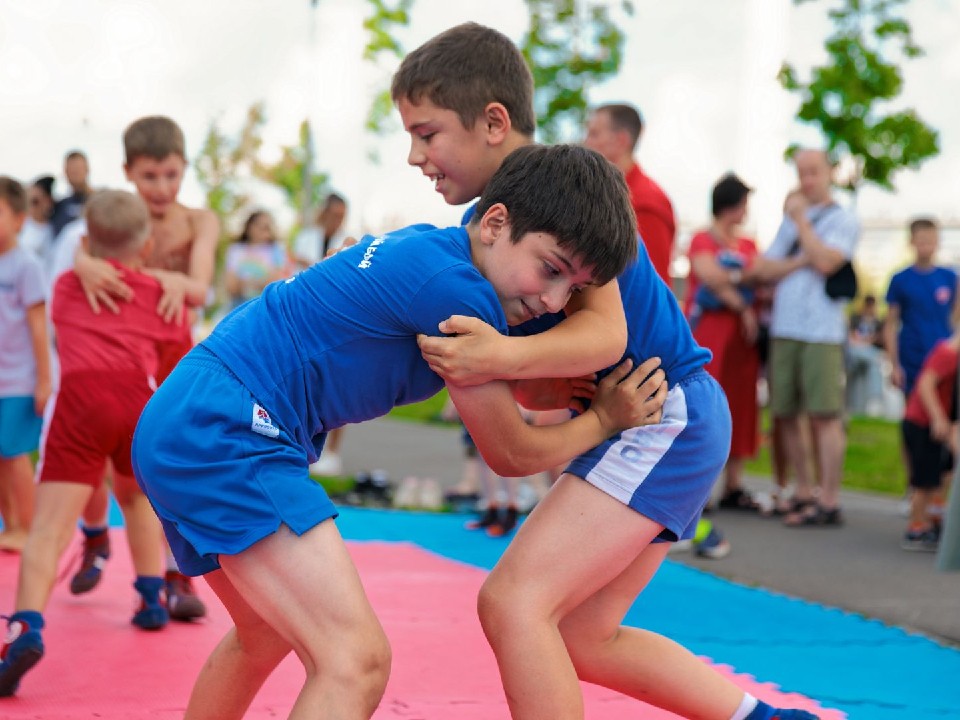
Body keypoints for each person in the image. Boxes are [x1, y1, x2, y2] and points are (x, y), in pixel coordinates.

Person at [131, 144, 660, 720]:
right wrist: (605, 419)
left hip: (185, 413)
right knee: (354, 660)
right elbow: (510, 452)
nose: (553, 301)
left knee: (264, 633)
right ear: (496, 222)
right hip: (227, 429)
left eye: (574, 290)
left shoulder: (429, 246)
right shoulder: (461, 298)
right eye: (551, 269)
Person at [402, 23, 817, 720]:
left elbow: (606, 329)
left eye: (428, 133)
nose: (415, 155)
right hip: (652, 415)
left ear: (493, 123)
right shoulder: (497, 219)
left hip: (662, 412)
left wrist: (498, 358)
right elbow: (551, 370)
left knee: (513, 602)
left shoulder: (562, 194)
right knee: (579, 636)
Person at [0, 190, 193, 696]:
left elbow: (77, 265)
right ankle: (151, 596)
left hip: (81, 401)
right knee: (134, 500)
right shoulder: (163, 297)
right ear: (146, 246)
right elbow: (178, 365)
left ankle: (24, 626)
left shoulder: (67, 285)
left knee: (46, 529)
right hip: (137, 402)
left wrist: (85, 259)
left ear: (85, 241)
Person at [68, 116, 219, 621]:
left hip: (174, 349)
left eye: (171, 175)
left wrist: (112, 268)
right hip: (120, 354)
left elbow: (198, 288)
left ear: (184, 170)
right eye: (150, 177)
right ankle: (105, 544)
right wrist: (83, 261)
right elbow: (81, 249)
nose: (162, 188)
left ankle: (178, 577)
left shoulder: (200, 221)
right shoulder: (115, 218)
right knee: (108, 465)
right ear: (128, 173)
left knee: (173, 466)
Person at [748, 149, 860, 528]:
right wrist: (800, 260)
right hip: (785, 328)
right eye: (801, 173)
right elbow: (762, 267)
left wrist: (800, 223)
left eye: (813, 172)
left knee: (825, 415)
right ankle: (803, 490)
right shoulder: (790, 222)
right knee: (787, 412)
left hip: (822, 332)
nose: (807, 180)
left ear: (830, 172)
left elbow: (829, 261)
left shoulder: (843, 219)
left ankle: (829, 499)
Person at [685, 173, 762, 511]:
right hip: (710, 333)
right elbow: (708, 275)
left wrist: (731, 284)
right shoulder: (702, 238)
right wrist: (742, 301)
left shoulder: (747, 245)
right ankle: (701, 486)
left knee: (741, 405)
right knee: (706, 404)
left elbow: (756, 275)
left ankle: (734, 484)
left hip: (741, 342)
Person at [0, 177, 51, 553]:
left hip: (19, 379)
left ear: (19, 219)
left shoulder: (26, 265)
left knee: (13, 452)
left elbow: (38, 326)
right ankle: (12, 524)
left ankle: (30, 528)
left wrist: (44, 380)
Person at [584, 102, 676, 286]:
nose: (586, 142)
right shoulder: (607, 193)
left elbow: (651, 284)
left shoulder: (648, 201)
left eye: (594, 134)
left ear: (621, 141)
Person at [884, 217, 958, 400]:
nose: (926, 246)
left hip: (942, 357)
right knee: (913, 417)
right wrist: (894, 364)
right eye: (921, 240)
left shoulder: (950, 278)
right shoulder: (900, 279)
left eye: (931, 241)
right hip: (912, 356)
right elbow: (890, 325)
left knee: (944, 416)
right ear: (911, 241)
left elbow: (956, 319)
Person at [899, 329, 958, 552]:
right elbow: (925, 385)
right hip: (921, 423)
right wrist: (938, 418)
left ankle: (934, 516)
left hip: (934, 424)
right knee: (924, 480)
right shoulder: (948, 354)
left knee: (942, 472)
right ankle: (916, 526)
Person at [223, 210, 289, 311]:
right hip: (238, 307)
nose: (265, 230)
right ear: (249, 226)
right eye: (261, 226)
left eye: (268, 227)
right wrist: (259, 283)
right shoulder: (236, 250)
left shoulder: (276, 250)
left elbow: (274, 284)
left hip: (265, 308)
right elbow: (231, 286)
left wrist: (244, 284)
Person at [846, 294, 886, 416]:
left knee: (872, 363)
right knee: (873, 361)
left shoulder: (878, 322)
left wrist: (868, 341)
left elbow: (879, 340)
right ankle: (875, 398)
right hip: (855, 351)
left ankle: (871, 401)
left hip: (870, 352)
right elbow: (850, 336)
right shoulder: (856, 319)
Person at [292, 192, 349, 270]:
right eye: (335, 215)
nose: (338, 221)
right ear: (325, 213)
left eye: (341, 216)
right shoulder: (305, 237)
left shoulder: (346, 241)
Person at [18, 176, 56, 278]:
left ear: (49, 201)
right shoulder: (20, 228)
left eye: (35, 201)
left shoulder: (57, 228)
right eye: (29, 201)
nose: (31, 206)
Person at [49, 150, 93, 239]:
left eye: (78, 170)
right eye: (71, 170)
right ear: (65, 172)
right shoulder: (59, 207)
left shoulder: (100, 202)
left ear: (87, 169)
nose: (75, 174)